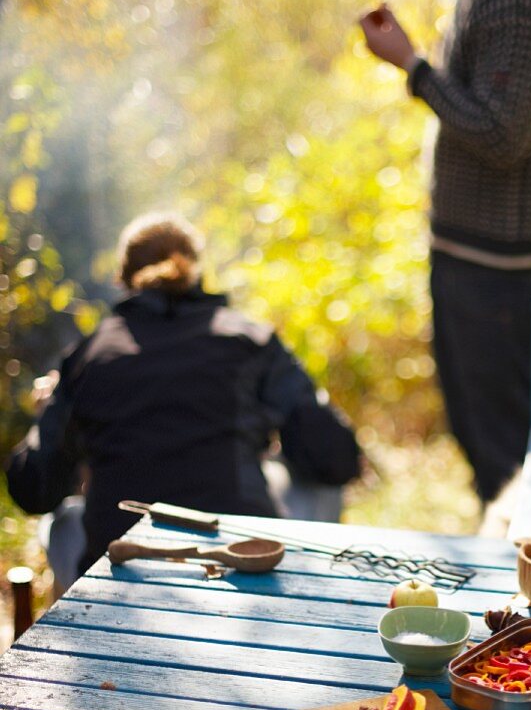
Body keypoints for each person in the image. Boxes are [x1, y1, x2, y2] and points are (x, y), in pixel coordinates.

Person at [356, 0, 531, 505]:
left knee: (508, 469)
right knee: (489, 458)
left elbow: (504, 136)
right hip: (477, 267)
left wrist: (413, 65)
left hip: (497, 278)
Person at [5, 213, 361, 577]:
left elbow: (33, 488)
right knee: (318, 483)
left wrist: (48, 415)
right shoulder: (251, 339)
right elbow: (338, 457)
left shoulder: (88, 356)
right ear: (196, 270)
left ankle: (73, 616)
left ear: (124, 280)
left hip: (125, 567)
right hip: (237, 559)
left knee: (60, 519)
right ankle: (309, 583)